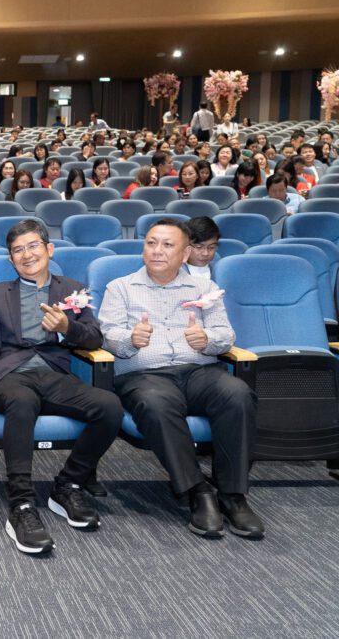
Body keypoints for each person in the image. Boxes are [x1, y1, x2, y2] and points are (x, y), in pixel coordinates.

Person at [98, 218, 263, 539]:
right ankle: (197, 491)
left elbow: (225, 334)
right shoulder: (120, 287)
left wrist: (208, 339)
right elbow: (107, 334)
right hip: (145, 375)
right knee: (156, 403)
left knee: (237, 393)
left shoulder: (205, 289)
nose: (157, 251)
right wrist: (130, 339)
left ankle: (233, 494)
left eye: (167, 245)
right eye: (151, 243)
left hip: (199, 372)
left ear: (185, 253)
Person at [0, 220, 122, 554]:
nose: (27, 255)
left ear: (49, 249)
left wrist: (67, 327)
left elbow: (94, 337)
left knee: (109, 407)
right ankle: (21, 504)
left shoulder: (73, 290)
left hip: (54, 375)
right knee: (21, 401)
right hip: (9, 375)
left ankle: (67, 485)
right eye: (18, 250)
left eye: (33, 246)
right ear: (10, 259)